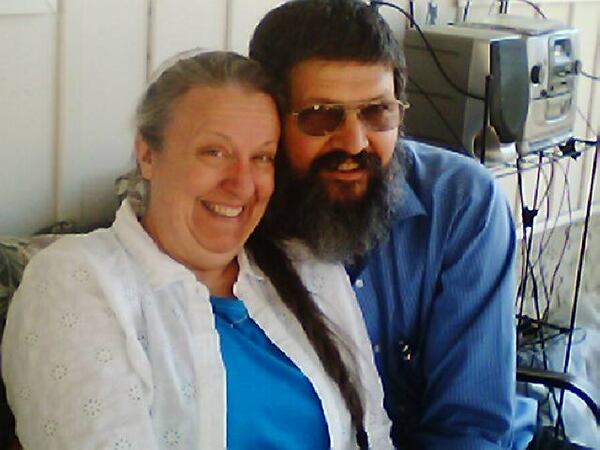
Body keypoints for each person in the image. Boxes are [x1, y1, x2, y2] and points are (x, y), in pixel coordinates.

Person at [1, 50, 392, 449]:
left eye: (261, 157)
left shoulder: (310, 271)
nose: (241, 184)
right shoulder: (76, 280)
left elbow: (374, 436)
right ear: (147, 155)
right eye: (215, 152)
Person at [249, 1, 539, 448]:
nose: (354, 142)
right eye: (321, 115)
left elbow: (470, 425)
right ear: (270, 116)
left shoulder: (462, 204)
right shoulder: (239, 210)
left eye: (377, 112)